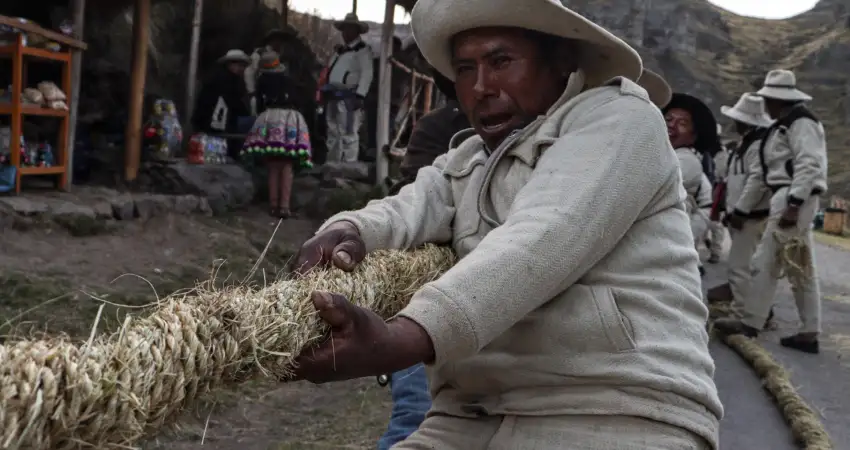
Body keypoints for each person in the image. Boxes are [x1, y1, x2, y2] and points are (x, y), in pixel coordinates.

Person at [290, 0, 722, 447]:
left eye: (500, 62)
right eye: (464, 69)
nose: (481, 87)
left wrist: (402, 338)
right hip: (468, 414)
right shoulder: (468, 159)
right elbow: (409, 205)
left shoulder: (621, 119)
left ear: (560, 63)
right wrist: (346, 231)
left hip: (616, 409)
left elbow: (543, 238)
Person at [715, 69, 827, 354]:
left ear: (778, 100)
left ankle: (751, 322)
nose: (766, 106)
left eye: (769, 100)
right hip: (788, 196)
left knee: (767, 263)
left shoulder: (800, 124)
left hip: (792, 198)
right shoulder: (787, 125)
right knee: (794, 266)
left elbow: (809, 164)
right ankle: (806, 330)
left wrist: (794, 203)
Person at [706, 93, 773, 307]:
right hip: (741, 215)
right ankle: (754, 309)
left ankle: (745, 312)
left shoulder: (757, 147)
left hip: (750, 217)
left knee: (740, 267)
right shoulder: (746, 144)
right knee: (745, 265)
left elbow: (757, 180)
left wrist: (741, 210)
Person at [241, 51, 313, 218]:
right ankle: (284, 206)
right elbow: (299, 100)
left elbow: (259, 103)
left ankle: (273, 204)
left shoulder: (262, 81)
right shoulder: (288, 81)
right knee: (287, 164)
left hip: (269, 118)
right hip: (289, 120)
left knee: (272, 164)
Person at [662, 93, 721, 277]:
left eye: (682, 123)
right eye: (668, 119)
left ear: (693, 137)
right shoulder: (665, 153)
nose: (671, 125)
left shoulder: (686, 160)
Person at [322, 13, 374, 163]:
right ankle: (332, 164)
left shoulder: (362, 50)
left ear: (356, 31)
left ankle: (349, 167)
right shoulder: (340, 52)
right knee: (333, 132)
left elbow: (367, 73)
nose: (345, 33)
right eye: (344, 30)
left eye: (349, 29)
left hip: (350, 98)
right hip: (333, 96)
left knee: (349, 134)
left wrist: (360, 95)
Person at [192, 49, 252, 160]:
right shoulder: (222, 80)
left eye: (242, 65)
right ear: (229, 64)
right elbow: (232, 101)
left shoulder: (234, 80)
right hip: (215, 122)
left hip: (222, 122)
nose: (240, 68)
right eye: (238, 64)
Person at [245, 29, 292, 116]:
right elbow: (250, 73)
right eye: (278, 40)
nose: (280, 43)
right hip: (261, 93)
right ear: (271, 41)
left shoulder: (280, 56)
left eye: (282, 41)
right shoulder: (259, 54)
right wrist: (252, 92)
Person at [707, 124, 730, 264]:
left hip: (716, 187)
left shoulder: (722, 153)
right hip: (704, 186)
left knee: (715, 222)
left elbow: (721, 173)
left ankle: (716, 250)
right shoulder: (703, 150)